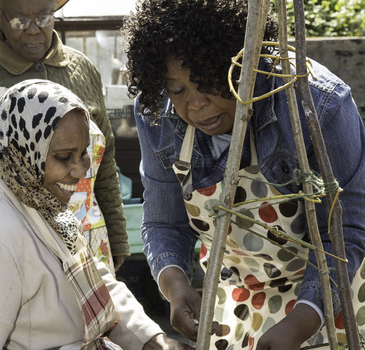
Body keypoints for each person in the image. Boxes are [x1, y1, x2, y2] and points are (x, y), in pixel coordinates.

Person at [121, 0, 365, 349]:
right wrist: (174, 285)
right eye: (178, 90)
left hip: (333, 295)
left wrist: (302, 320)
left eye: (208, 82)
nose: (195, 104)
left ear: (243, 65)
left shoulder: (316, 103)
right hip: (239, 305)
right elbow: (163, 222)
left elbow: (347, 230)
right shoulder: (155, 113)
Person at [0, 80, 193, 350]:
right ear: (21, 150)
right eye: (64, 158)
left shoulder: (32, 193)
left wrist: (152, 341)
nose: (80, 170)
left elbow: (93, 282)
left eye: (83, 152)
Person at [0, 0, 129, 271]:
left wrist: (116, 235)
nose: (33, 30)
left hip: (84, 234)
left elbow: (106, 159)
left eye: (43, 18)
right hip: (4, 244)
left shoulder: (83, 70)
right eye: (20, 22)